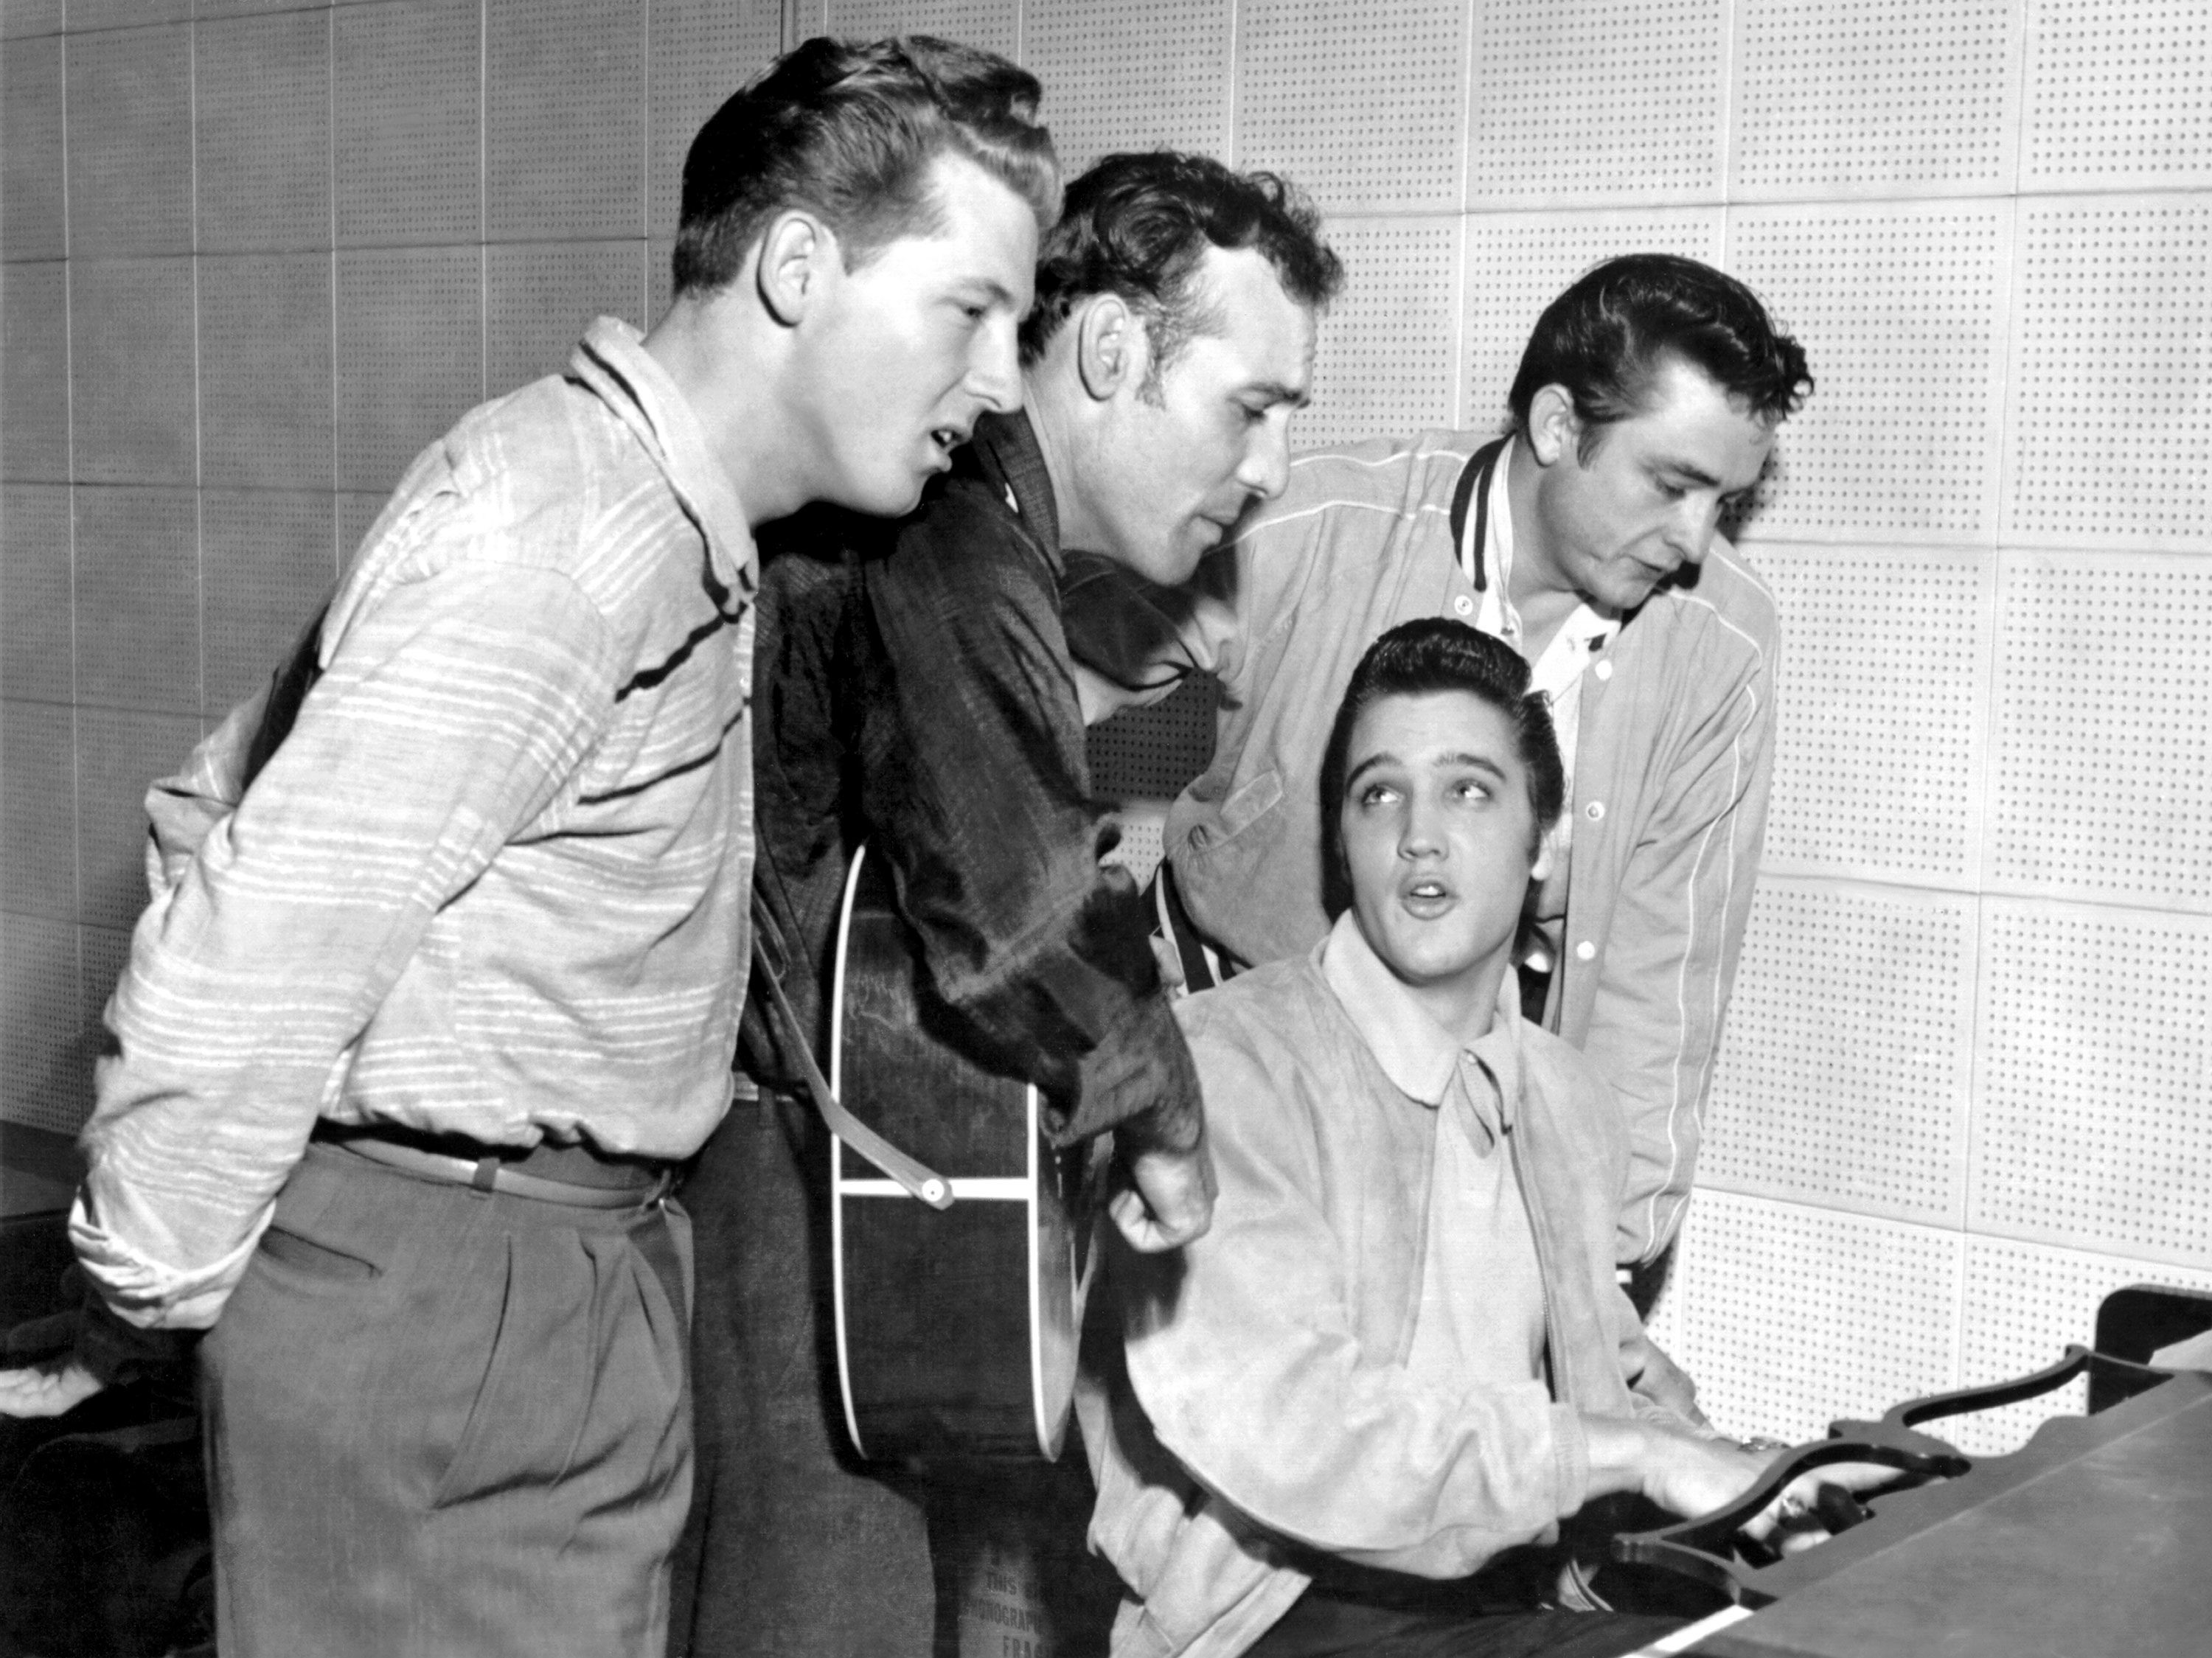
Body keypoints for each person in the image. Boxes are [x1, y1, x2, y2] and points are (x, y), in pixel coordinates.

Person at [0, 35, 1056, 1658]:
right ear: (795, 269)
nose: (999, 382)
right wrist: (149, 1290)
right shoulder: (564, 530)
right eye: (971, 311)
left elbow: (229, 788)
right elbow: (253, 932)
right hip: (454, 1299)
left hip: (561, 1270)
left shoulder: (674, 533)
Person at [677, 152, 1343, 1657]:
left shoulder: (978, 529)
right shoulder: (954, 530)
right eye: (1253, 407)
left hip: (833, 1167)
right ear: (1109, 352)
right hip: (783, 1184)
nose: (1274, 471)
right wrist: (1170, 1122)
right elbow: (1015, 923)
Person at [1080, 620, 1874, 1658]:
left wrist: (1762, 1475)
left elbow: (1609, 1371)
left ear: (1542, 844)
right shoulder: (1220, 1068)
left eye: (1467, 789)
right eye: (1378, 793)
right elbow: (1299, 1428)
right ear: (1341, 842)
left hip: (1512, 1601)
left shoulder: (1564, 1096)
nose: (1418, 833)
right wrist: (1624, 1454)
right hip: (1276, 1620)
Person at [1065, 254, 1810, 1299]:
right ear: (1558, 428)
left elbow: (1660, 995)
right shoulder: (1313, 531)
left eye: (1722, 501)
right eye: (1672, 484)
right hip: (1216, 1080)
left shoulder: (1723, 646)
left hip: (1472, 1152)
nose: (1694, 542)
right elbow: (1014, 692)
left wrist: (1603, 1283)